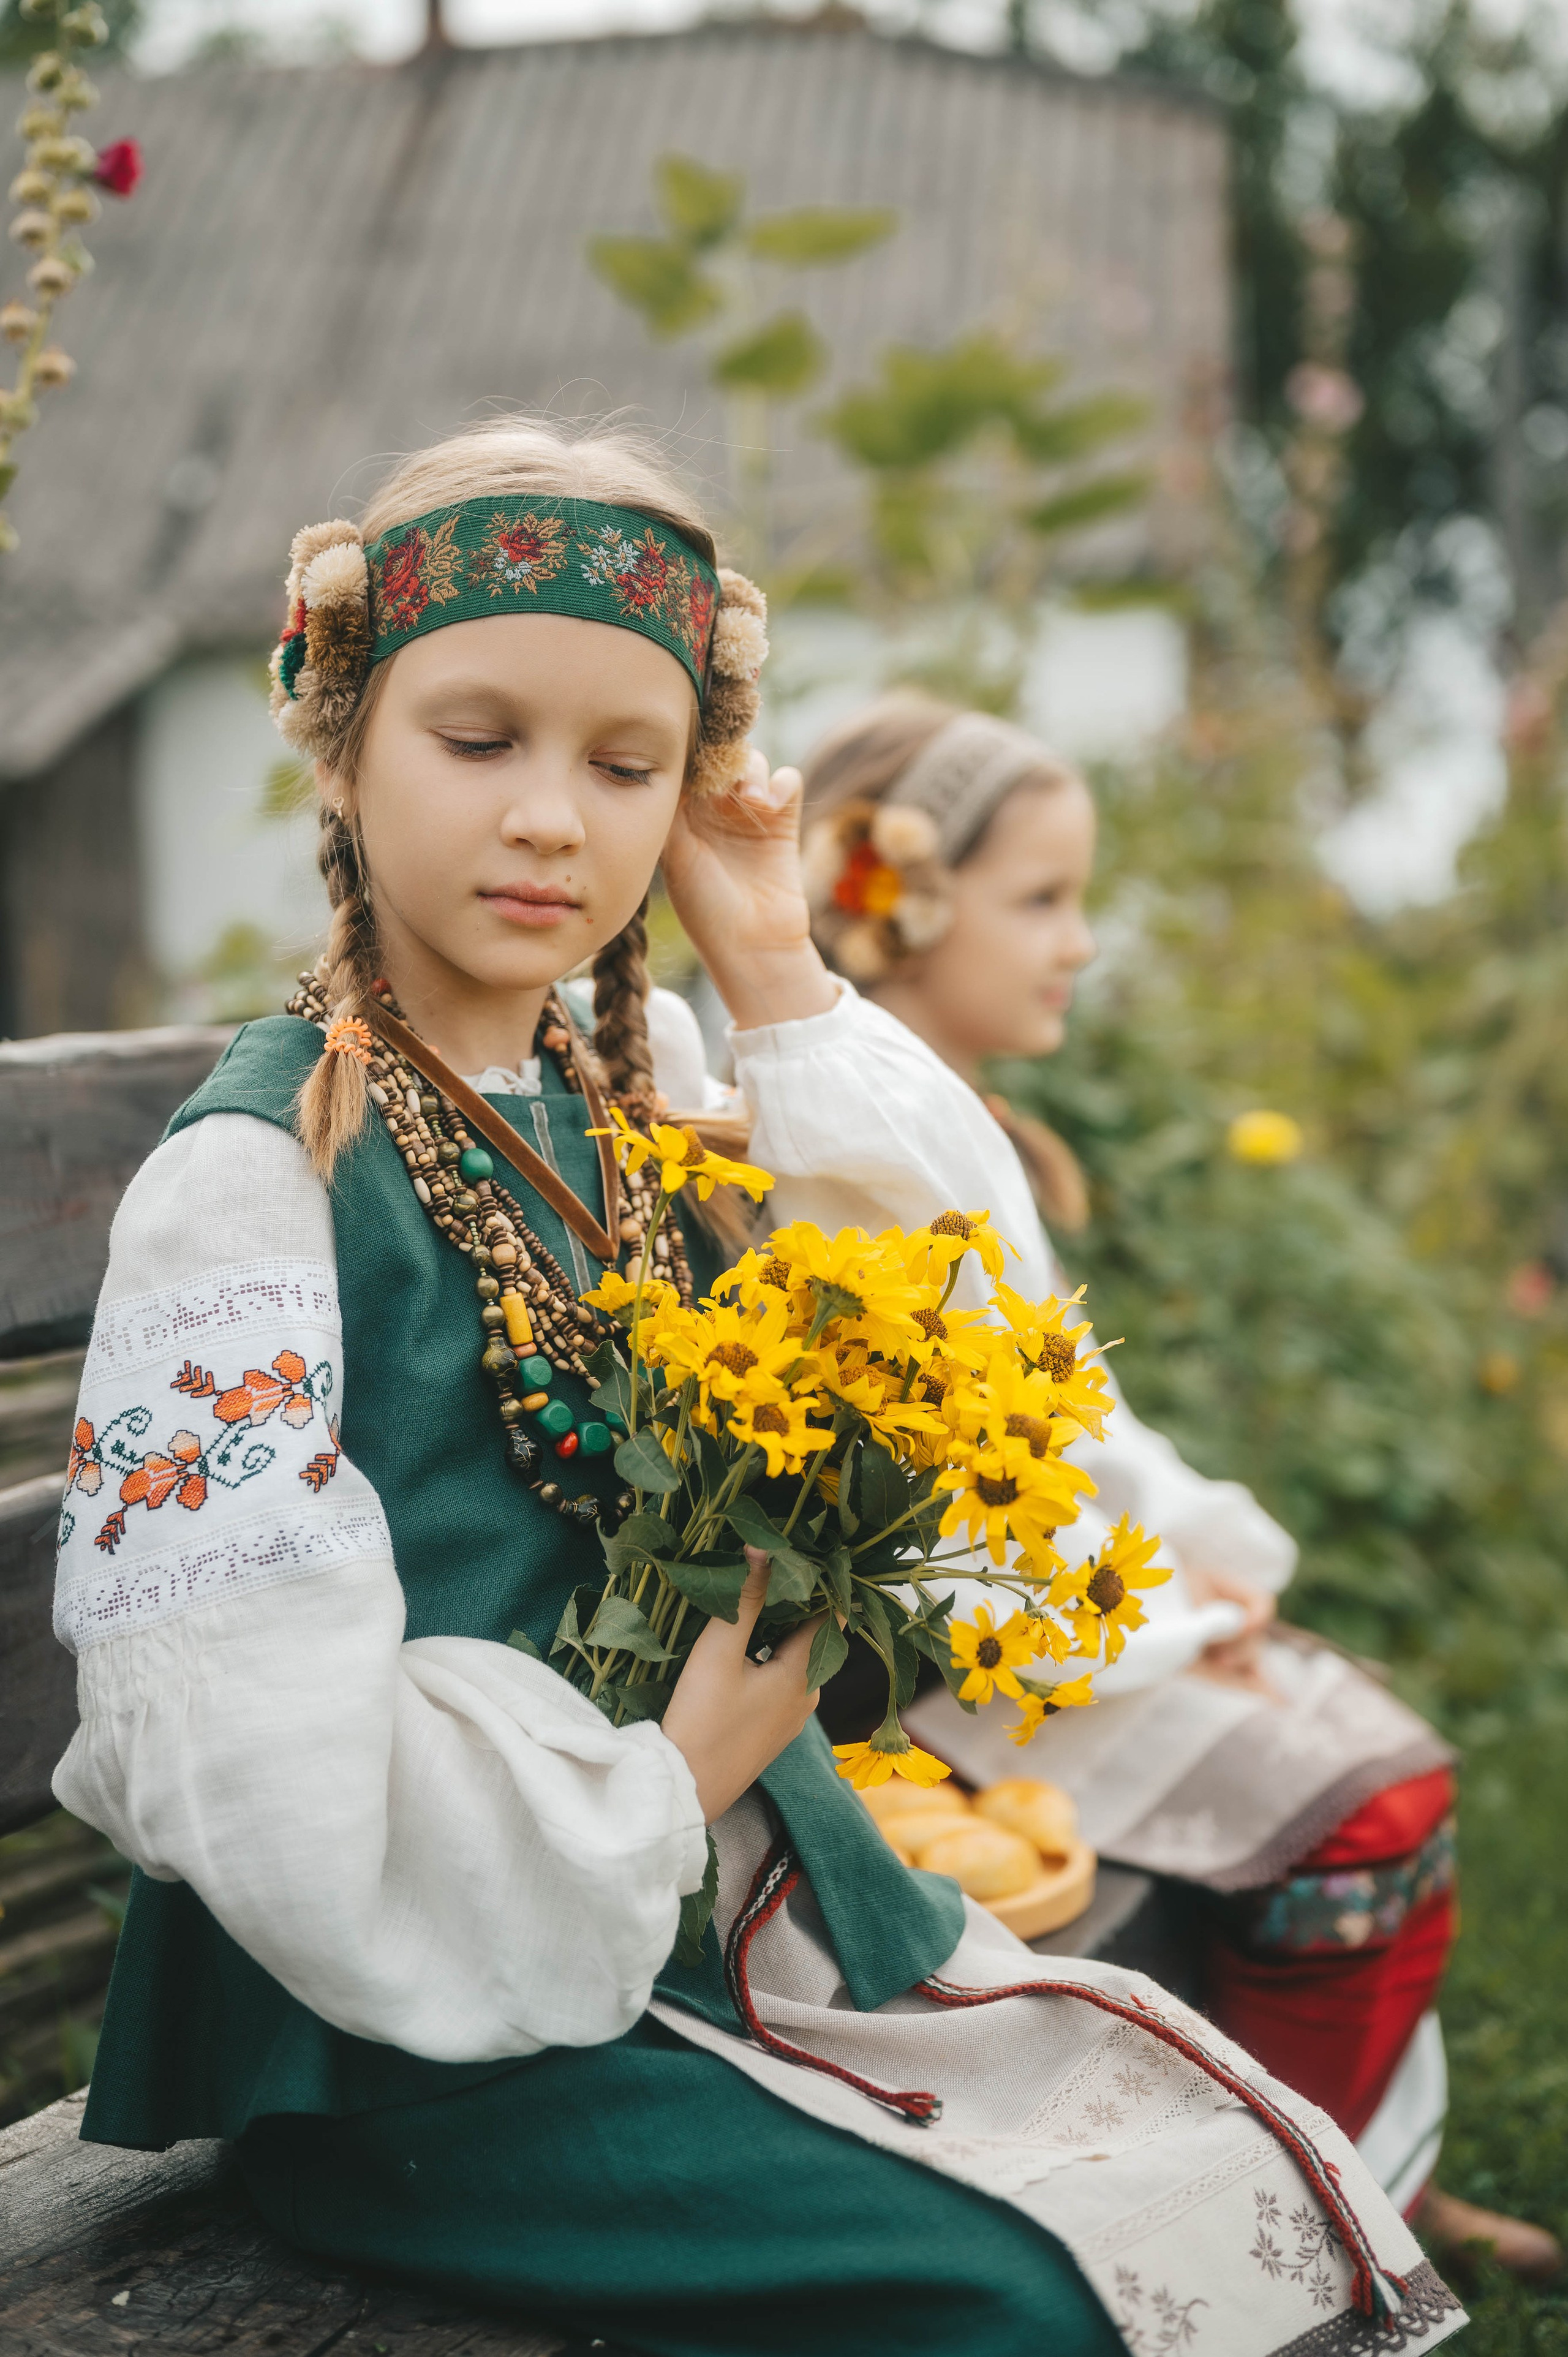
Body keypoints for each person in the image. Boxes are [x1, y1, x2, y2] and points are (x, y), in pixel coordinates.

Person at [51, 424, 1461, 2357]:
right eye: (480, 742)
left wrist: (775, 950)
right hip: (412, 2024)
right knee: (1033, 2303)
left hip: (699, 1902)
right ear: (343, 743)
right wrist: (672, 1780)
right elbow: (235, 1749)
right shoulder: (259, 1184)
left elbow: (973, 1313)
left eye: (626, 764)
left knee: (1214, 2170)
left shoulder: (634, 1096)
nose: (554, 819)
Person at [798, 690, 1562, 2286]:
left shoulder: (944, 1113)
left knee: (1366, 1749)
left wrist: (1199, 1562)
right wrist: (1149, 1618)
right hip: (936, 1674)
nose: (1081, 942)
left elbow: (1068, 1423)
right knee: (1369, 1807)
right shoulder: (850, 1124)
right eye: (1044, 901)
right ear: (905, 901)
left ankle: (1352, 2179)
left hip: (1041, 1615)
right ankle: (1269, 2235)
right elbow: (938, 1502)